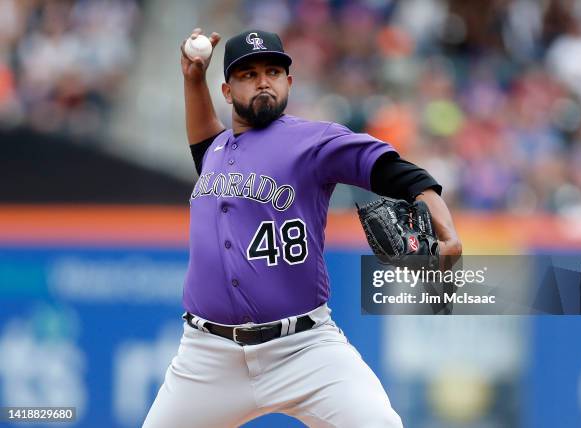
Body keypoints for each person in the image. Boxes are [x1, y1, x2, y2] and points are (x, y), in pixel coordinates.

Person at [143, 28, 462, 428]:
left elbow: (389, 168)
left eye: (273, 71)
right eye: (247, 74)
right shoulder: (215, 151)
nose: (262, 80)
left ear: (288, 82)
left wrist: (443, 224)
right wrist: (192, 80)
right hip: (207, 358)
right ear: (226, 91)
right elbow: (202, 139)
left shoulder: (313, 141)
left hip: (304, 349)